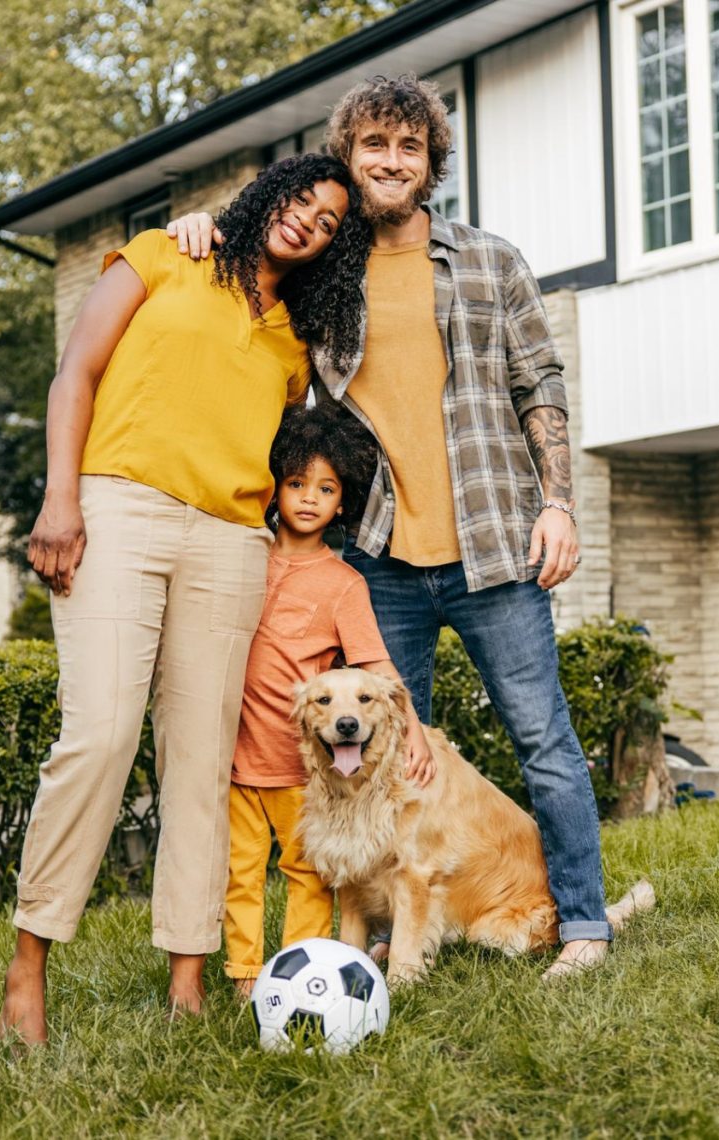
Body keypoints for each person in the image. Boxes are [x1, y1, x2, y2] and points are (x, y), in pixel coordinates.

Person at [168, 75, 609, 980]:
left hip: (495, 550)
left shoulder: (490, 261)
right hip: (377, 563)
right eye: (375, 145)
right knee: (384, 761)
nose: (391, 161)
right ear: (351, 155)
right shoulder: (326, 276)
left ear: (431, 163)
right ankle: (388, 931)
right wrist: (202, 225)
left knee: (544, 744)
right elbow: (257, 251)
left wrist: (559, 504)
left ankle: (586, 925)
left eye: (409, 148)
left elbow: (542, 386)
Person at [0, 153, 371, 1047]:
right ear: (268, 196)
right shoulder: (167, 254)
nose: (308, 224)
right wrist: (61, 499)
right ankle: (29, 961)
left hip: (230, 541)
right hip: (118, 505)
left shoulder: (293, 342)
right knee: (100, 733)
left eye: (328, 224)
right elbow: (75, 376)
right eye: (302, 202)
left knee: (203, 760)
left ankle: (190, 978)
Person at [224, 405, 433, 997]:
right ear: (274, 488)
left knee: (308, 878)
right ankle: (243, 979)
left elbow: (376, 667)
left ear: (343, 502)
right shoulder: (245, 558)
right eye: (296, 484)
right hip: (236, 760)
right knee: (238, 874)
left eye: (326, 488)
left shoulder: (345, 584)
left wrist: (413, 728)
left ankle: (296, 977)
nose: (310, 498)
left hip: (301, 771)